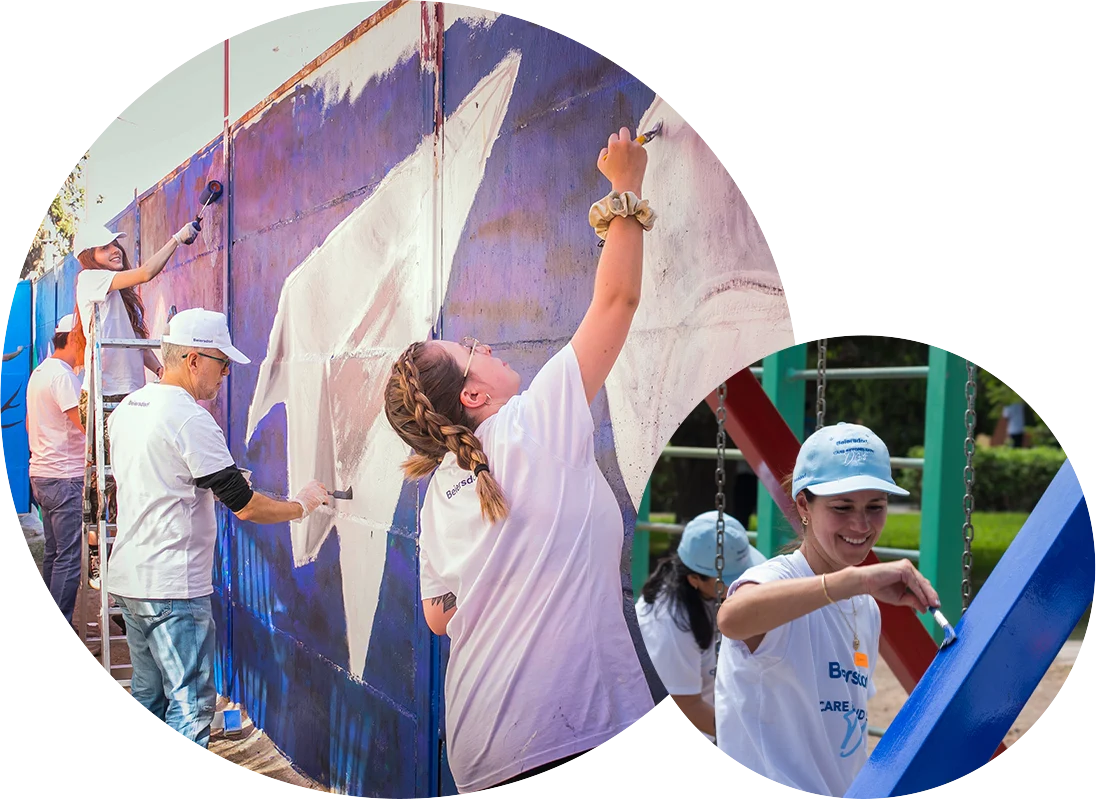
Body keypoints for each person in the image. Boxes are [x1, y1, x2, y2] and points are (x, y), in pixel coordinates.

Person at [384, 127, 657, 794]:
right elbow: (616, 302)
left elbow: (438, 616)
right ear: (474, 394)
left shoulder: (445, 486)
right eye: (474, 345)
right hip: (569, 736)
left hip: (482, 744)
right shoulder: (535, 422)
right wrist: (625, 186)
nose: (489, 345)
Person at [105, 308, 329, 751]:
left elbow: (165, 477)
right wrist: (301, 505)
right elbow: (243, 506)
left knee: (147, 700)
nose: (225, 373)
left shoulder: (129, 408)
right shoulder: (189, 417)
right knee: (189, 708)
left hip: (130, 580)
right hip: (172, 587)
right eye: (220, 363)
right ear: (192, 360)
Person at [714, 423, 941, 798]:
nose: (861, 524)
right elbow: (733, 617)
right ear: (804, 505)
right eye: (842, 507)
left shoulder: (865, 606)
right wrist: (856, 580)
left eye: (875, 507)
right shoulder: (776, 577)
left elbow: (842, 729)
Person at [70, 221, 198, 589]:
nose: (113, 251)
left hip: (128, 395)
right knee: (104, 481)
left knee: (127, 478)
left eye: (115, 245)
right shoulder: (90, 281)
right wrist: (176, 238)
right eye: (103, 247)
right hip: (104, 394)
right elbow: (147, 272)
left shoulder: (119, 296)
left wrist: (161, 370)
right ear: (88, 258)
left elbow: (134, 346)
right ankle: (98, 561)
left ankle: (123, 559)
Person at [636, 511, 765, 745]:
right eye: (730, 581)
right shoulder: (667, 622)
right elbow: (685, 707)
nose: (742, 585)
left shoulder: (707, 593)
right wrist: (750, 740)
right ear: (695, 579)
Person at [26, 314, 85, 630]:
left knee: (53, 552)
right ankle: (59, 627)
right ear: (74, 338)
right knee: (68, 558)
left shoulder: (40, 372)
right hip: (63, 478)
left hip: (44, 474)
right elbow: (84, 424)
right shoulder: (63, 377)